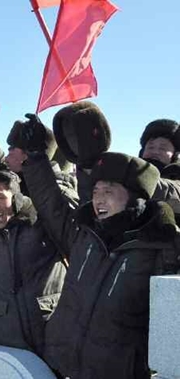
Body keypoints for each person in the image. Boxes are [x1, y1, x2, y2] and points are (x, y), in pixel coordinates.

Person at [21, 113, 180, 379]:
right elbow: (51, 206)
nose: (98, 199)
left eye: (109, 191)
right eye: (96, 191)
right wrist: (37, 157)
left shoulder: (164, 247)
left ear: (134, 198)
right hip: (62, 363)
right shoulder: (84, 235)